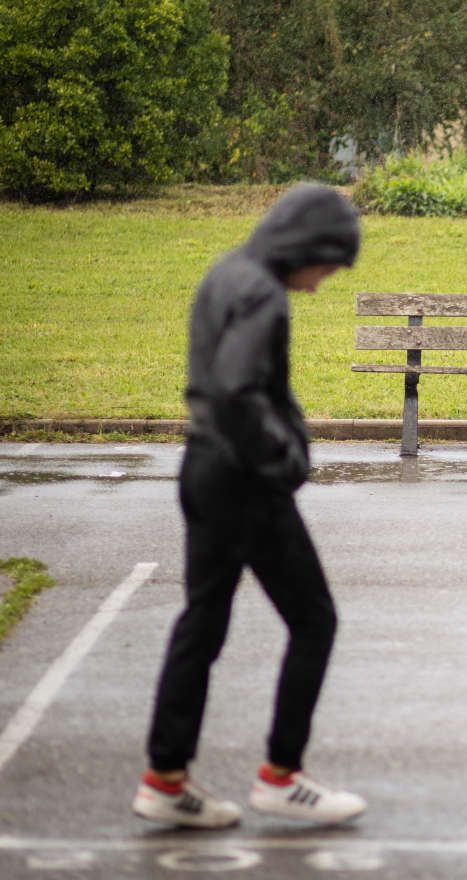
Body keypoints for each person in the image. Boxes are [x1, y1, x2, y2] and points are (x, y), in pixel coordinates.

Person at [132, 184, 367, 829]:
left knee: (201, 624)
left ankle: (165, 776)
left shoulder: (226, 273)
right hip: (243, 481)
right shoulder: (263, 293)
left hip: (202, 467)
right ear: (307, 246)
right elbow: (237, 390)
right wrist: (283, 458)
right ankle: (281, 777)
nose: (324, 281)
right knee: (314, 620)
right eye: (328, 264)